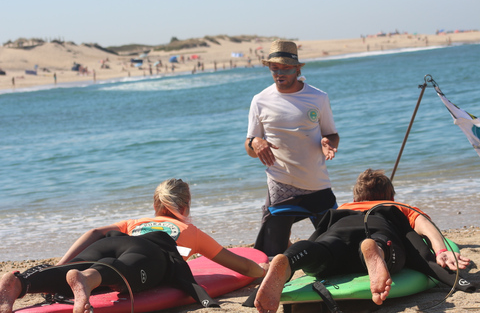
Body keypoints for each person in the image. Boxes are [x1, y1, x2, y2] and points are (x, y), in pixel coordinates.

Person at [0, 179, 265, 313]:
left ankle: (21, 284)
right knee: (117, 270)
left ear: (155, 205)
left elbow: (93, 232)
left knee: (89, 264)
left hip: (115, 241)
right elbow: (240, 265)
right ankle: (86, 278)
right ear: (185, 207)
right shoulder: (191, 232)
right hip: (150, 252)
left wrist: (64, 264)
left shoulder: (135, 221)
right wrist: (262, 270)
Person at [254, 169, 475, 313]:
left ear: (356, 198)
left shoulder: (344, 208)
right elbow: (425, 227)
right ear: (391, 197)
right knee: (380, 243)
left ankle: (291, 258)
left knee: (319, 250)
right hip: (378, 227)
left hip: (339, 230)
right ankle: (375, 249)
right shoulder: (395, 207)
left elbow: (319, 232)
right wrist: (440, 251)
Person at [245, 40, 340, 257]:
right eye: (274, 68)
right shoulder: (260, 100)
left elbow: (332, 134)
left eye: (286, 68)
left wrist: (329, 144)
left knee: (338, 246)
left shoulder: (318, 97)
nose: (279, 73)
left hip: (316, 183)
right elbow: (249, 144)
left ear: (297, 69)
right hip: (281, 186)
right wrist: (255, 143)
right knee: (270, 255)